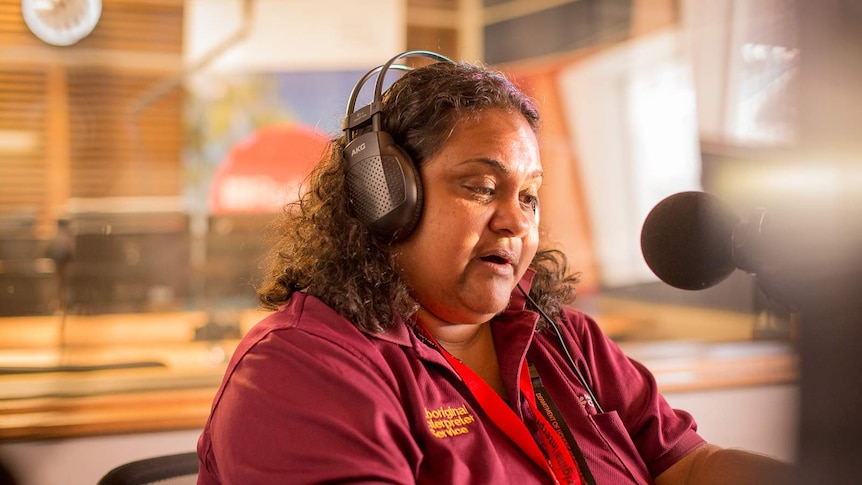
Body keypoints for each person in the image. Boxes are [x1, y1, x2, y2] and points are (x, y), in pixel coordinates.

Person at [196, 52, 792, 484]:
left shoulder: (564, 340)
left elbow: (688, 468)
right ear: (384, 197)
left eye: (529, 196)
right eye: (481, 187)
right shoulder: (300, 368)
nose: (515, 221)